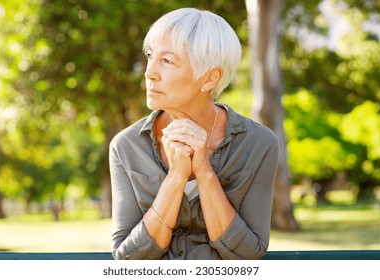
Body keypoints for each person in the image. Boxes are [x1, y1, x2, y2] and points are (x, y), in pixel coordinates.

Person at [110, 7, 279, 260]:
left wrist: (204, 172)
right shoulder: (125, 146)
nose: (149, 73)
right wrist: (176, 177)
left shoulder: (260, 144)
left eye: (167, 60)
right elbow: (127, 258)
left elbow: (248, 255)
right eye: (150, 56)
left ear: (210, 78)